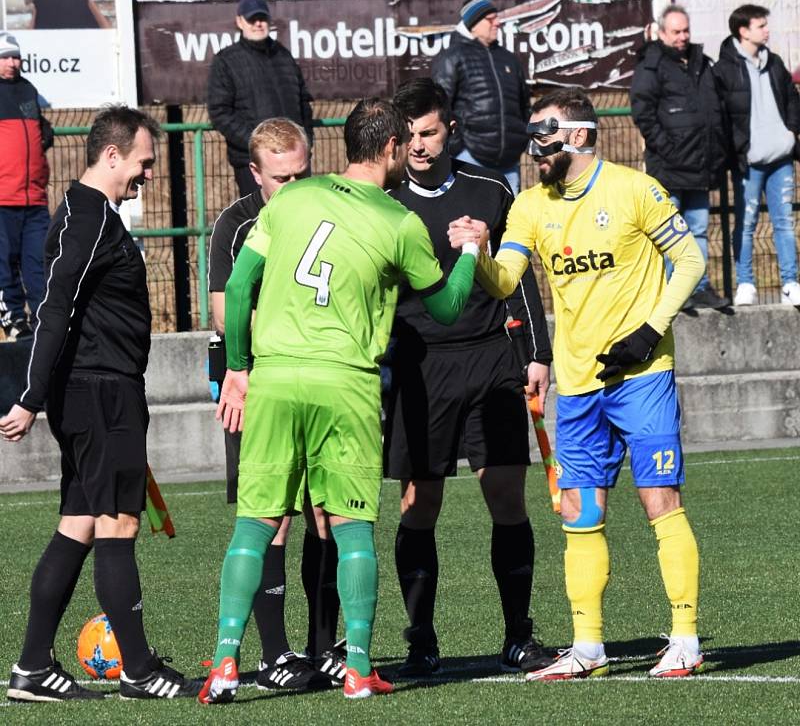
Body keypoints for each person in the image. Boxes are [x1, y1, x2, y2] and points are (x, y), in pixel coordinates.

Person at [198, 97, 480, 704]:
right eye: (405, 145)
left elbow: (240, 285)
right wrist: (471, 255)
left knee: (255, 523)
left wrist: (240, 368)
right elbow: (448, 309)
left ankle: (224, 665)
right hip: (346, 382)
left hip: (273, 378)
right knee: (351, 529)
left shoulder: (292, 198)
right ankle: (356, 666)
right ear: (389, 149)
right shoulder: (400, 220)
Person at [449, 88, 706, 680]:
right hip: (579, 385)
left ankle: (686, 639)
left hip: (642, 377)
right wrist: (476, 252)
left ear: (581, 135)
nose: (536, 148)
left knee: (659, 501)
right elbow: (504, 280)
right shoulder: (530, 206)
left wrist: (648, 332)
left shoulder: (633, 188)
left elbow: (689, 261)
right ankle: (588, 648)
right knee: (578, 512)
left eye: (547, 132)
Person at [0, 105, 201, 701]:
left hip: (104, 390)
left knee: (81, 523)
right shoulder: (85, 217)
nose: (146, 174)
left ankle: (32, 668)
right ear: (111, 155)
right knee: (119, 523)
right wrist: (31, 396)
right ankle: (138, 670)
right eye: (142, 162)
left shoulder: (97, 216)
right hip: (99, 393)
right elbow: (55, 308)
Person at [384, 78, 553, 677]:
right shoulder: (381, 200)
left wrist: (538, 352)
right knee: (419, 502)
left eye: (428, 132)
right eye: (407, 137)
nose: (418, 146)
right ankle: (420, 640)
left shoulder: (490, 191)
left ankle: (518, 637)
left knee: (506, 496)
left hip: (490, 360)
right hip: (417, 367)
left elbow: (518, 275)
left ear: (450, 129)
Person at [207, 116, 344, 690]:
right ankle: (275, 656)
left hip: (318, 379)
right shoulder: (236, 225)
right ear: (255, 173)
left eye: (303, 172)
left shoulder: (329, 210)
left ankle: (324, 646)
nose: (294, 184)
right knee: (271, 518)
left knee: (327, 513)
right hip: (255, 383)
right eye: (282, 177)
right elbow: (223, 311)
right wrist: (299, 326)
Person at [630, 5, 729, 310]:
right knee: (669, 233)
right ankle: (672, 291)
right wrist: (667, 147)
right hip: (669, 166)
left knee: (698, 229)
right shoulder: (651, 64)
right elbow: (642, 113)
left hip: (700, 164)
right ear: (661, 32)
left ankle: (697, 287)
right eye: (676, 31)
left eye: (686, 30)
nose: (683, 37)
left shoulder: (700, 62)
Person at [712, 4, 800, 306]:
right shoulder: (723, 69)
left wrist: (791, 133)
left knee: (784, 221)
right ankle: (745, 283)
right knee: (746, 223)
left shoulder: (774, 62)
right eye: (761, 25)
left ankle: (790, 282)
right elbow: (721, 115)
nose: (767, 30)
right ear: (743, 30)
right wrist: (739, 148)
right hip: (748, 163)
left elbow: (792, 98)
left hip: (781, 159)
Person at [208, 0, 314, 196]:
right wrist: (260, 145)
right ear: (239, 22)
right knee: (261, 220)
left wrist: (305, 142)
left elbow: (304, 104)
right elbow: (220, 112)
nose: (258, 23)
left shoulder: (284, 55)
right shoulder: (226, 61)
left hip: (295, 160)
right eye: (252, 19)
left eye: (262, 18)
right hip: (253, 162)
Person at [432, 0, 529, 195]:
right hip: (470, 158)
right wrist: (459, 147)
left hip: (510, 163)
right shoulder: (452, 57)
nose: (498, 23)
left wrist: (520, 141)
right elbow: (440, 107)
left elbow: (524, 105)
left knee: (509, 223)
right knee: (470, 221)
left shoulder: (509, 59)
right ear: (473, 23)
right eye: (490, 19)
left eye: (497, 18)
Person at [0, 31, 51, 341]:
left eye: (15, 56)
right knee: (4, 267)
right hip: (3, 198)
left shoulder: (27, 89)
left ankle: (44, 323)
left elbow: (37, 130)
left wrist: (45, 134)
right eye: (5, 57)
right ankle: (15, 321)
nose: (11, 63)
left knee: (38, 267)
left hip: (34, 198)